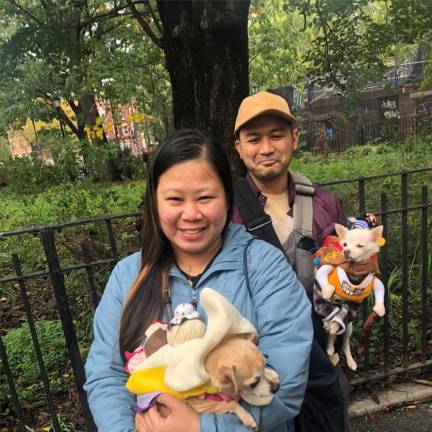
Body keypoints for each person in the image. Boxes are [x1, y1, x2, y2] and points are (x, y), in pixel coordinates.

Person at [84, 128, 313, 432]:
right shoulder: (128, 276)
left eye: (205, 197)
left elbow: (287, 381)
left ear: (227, 198)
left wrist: (199, 426)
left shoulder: (265, 267)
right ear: (155, 202)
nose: (191, 214)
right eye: (175, 199)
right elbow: (107, 375)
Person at [232, 91, 349, 432]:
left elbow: (340, 277)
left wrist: (355, 277)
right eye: (254, 139)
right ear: (239, 147)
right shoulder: (226, 212)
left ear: (294, 139)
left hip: (321, 363)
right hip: (260, 369)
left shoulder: (325, 204)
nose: (266, 148)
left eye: (277, 135)